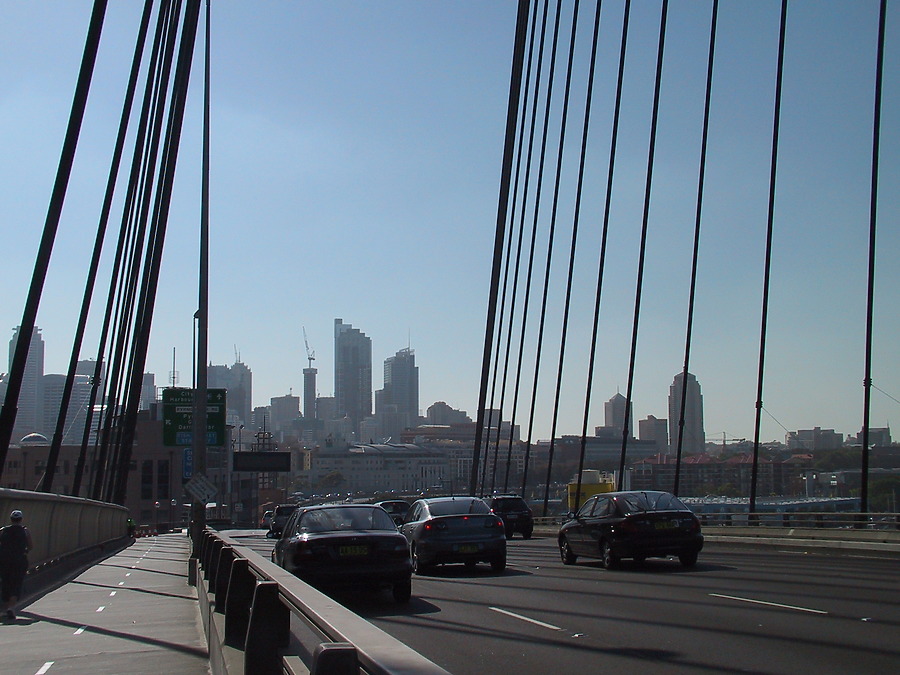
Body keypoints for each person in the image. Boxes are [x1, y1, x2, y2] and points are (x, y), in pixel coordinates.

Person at [0, 509, 33, 621]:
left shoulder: (3, 530)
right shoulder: (25, 531)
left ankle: (5, 608)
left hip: (4, 561)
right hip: (19, 561)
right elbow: (30, 546)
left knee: (5, 581)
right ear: (21, 519)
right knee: (16, 583)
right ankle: (11, 608)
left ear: (11, 519)